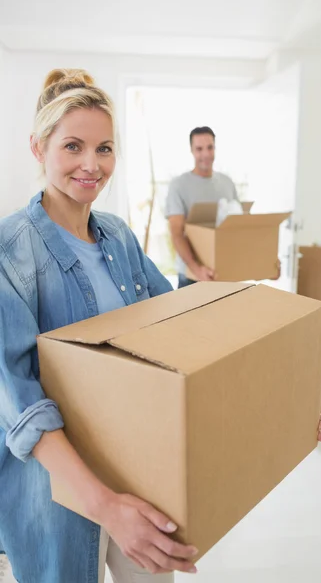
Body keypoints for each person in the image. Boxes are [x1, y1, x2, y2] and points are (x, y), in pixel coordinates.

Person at [0, 69, 199, 583]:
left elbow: (180, 323)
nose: (92, 166)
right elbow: (21, 406)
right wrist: (106, 507)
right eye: (73, 146)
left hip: (137, 464)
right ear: (37, 147)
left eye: (105, 148)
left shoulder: (118, 236)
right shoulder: (11, 252)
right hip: (57, 490)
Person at [165, 126, 239, 288]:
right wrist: (197, 269)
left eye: (210, 147)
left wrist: (265, 262)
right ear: (191, 151)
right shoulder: (179, 185)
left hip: (225, 274)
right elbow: (177, 234)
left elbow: (239, 228)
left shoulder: (227, 183)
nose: (205, 154)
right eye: (199, 149)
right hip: (192, 277)